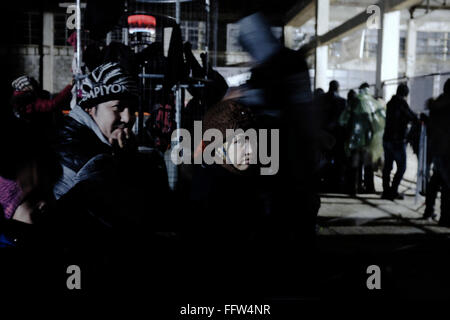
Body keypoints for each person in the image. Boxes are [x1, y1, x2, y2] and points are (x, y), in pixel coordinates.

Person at [382, 83, 417, 200]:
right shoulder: (401, 103)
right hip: (397, 141)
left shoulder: (390, 103)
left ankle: (386, 191)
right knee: (402, 167)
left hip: (387, 139)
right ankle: (393, 191)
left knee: (387, 166)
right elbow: (412, 117)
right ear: (405, 94)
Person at [422, 79, 450, 226]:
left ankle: (429, 210)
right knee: (447, 184)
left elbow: (431, 125)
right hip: (448, 149)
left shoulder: (436, 104)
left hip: (436, 147)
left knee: (436, 180)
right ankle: (445, 217)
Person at [339, 87, 373, 195]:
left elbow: (341, 121)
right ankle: (361, 187)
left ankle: (352, 188)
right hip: (363, 142)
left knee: (353, 166)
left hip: (352, 141)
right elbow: (370, 126)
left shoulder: (349, 110)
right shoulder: (365, 109)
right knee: (362, 165)